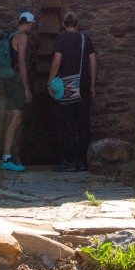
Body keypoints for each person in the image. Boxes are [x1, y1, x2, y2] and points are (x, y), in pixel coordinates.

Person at [48, 11, 97, 172]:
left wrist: (50, 82)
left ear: (63, 24)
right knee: (83, 124)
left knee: (67, 124)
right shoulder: (85, 39)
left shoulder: (61, 40)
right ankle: (82, 162)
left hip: (66, 87)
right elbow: (93, 62)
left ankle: (68, 161)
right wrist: (92, 85)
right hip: (82, 86)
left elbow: (56, 62)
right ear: (77, 24)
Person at [1, 11, 34, 172]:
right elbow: (21, 63)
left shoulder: (9, 35)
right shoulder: (23, 37)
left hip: (4, 80)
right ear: (30, 24)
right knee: (16, 116)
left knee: (9, 116)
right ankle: (7, 157)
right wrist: (26, 88)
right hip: (14, 81)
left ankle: (6, 155)